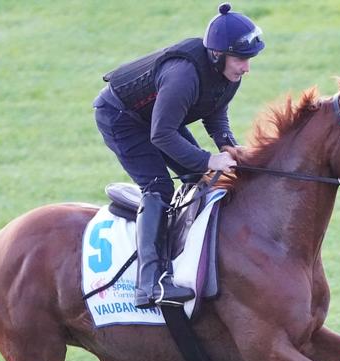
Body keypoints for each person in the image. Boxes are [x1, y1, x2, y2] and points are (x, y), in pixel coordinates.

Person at [93, 3, 265, 309]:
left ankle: (187, 253)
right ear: (218, 54)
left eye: (249, 59)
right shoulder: (183, 74)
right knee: (159, 187)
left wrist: (227, 143)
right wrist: (208, 160)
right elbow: (161, 135)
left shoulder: (227, 74)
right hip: (121, 117)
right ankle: (149, 285)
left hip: (158, 119)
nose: (246, 68)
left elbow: (215, 110)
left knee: (197, 177)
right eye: (241, 59)